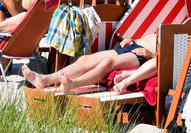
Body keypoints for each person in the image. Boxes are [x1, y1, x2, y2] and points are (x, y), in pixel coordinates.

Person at [23, 32, 159, 94]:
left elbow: (167, 58)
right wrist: (132, 39)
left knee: (108, 62)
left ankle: (72, 84)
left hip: (144, 55)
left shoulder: (178, 36)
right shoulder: (169, 26)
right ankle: (45, 79)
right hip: (134, 45)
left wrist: (152, 54)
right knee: (85, 60)